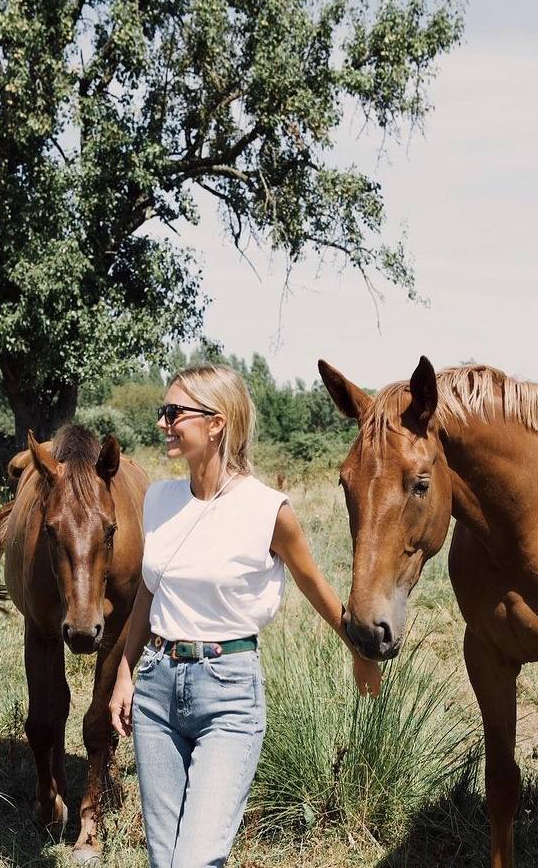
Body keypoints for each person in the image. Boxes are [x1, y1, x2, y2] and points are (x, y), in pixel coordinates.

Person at [109, 364, 381, 868]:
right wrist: (126, 672)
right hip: (155, 689)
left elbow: (314, 586)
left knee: (195, 860)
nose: (163, 424)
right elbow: (149, 594)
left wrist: (359, 651)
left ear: (216, 423)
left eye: (174, 413)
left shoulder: (267, 509)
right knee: (164, 860)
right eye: (162, 413)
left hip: (229, 693)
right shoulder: (158, 499)